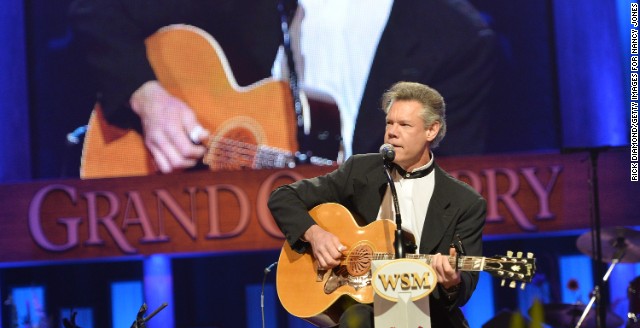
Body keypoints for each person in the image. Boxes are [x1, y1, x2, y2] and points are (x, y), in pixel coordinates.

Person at [69, 0, 496, 176]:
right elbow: (97, 10)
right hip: (221, 250)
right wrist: (148, 97)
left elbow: (447, 193)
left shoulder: (457, 37)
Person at [268, 81, 488, 328]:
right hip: (365, 315)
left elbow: (464, 285)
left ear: (431, 130)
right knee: (356, 320)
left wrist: (451, 282)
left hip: (429, 319)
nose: (392, 132)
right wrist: (314, 234)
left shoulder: (465, 202)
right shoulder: (361, 171)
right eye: (389, 123)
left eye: (405, 125)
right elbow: (283, 197)